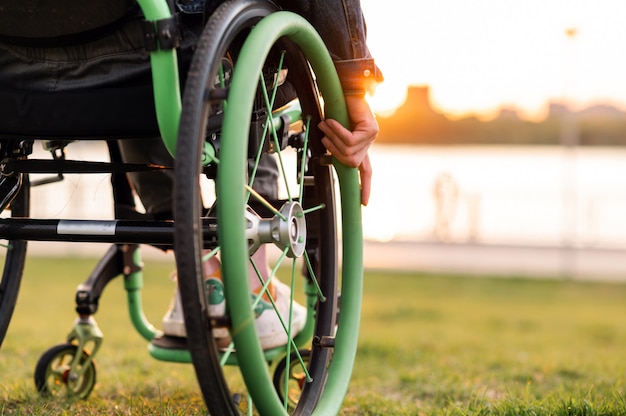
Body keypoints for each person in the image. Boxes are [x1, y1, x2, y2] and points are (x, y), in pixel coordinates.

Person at [0, 0, 382, 349]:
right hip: (167, 49)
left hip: (18, 60)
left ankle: (200, 270)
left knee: (166, 53)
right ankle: (248, 279)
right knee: (239, 38)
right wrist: (351, 88)